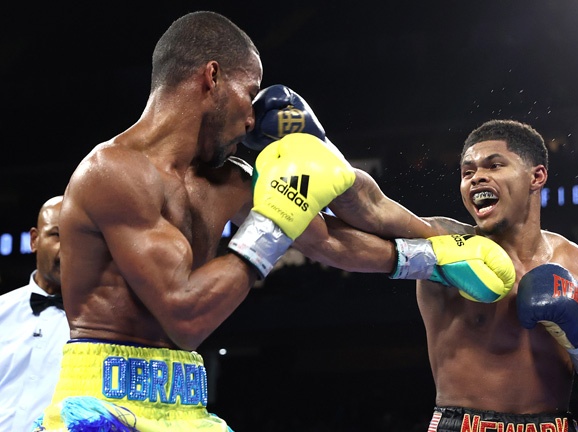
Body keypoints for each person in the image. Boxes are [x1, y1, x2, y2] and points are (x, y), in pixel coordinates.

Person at [35, 11, 514, 432]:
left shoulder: (230, 179)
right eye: (248, 93)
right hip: (102, 403)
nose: (252, 118)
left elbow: (337, 230)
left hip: (187, 406)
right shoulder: (112, 173)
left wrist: (442, 252)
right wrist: (274, 218)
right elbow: (184, 313)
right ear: (212, 77)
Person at [249, 107, 578, 431]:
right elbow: (373, 206)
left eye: (494, 165)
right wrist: (321, 153)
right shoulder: (447, 243)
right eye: (467, 171)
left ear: (537, 176)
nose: (476, 177)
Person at [0, 195, 69, 432]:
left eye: (79, 237)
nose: (69, 247)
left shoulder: (101, 323)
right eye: (57, 235)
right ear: (34, 240)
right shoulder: (2, 310)